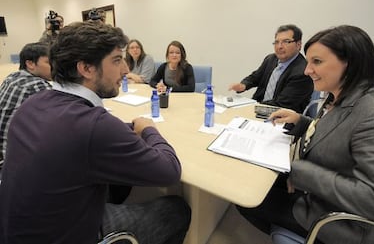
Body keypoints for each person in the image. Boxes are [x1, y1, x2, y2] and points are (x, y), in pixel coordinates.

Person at [0, 22, 191, 244]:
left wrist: (127, 130)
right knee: (176, 210)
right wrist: (149, 129)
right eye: (117, 60)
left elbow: (84, 135)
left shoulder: (32, 103)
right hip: (64, 235)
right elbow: (170, 171)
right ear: (87, 68)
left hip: (19, 230)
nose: (126, 70)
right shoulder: (96, 126)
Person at [237, 25, 374, 244]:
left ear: (350, 63)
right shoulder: (339, 95)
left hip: (346, 225)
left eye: (317, 62)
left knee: (246, 199)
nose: (307, 70)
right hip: (321, 197)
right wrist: (301, 122)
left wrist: (300, 172)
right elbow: (339, 132)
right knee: (252, 180)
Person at [228, 24, 313, 113]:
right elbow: (256, 77)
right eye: (276, 42)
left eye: (286, 41)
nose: (279, 46)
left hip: (282, 118)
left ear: (298, 45)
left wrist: (249, 108)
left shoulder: (303, 72)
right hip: (259, 109)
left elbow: (282, 104)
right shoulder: (271, 59)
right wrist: (243, 85)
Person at [0, 42, 52, 169]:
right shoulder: (38, 86)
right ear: (30, 64)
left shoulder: (12, 77)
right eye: (49, 62)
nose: (55, 67)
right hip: (12, 160)